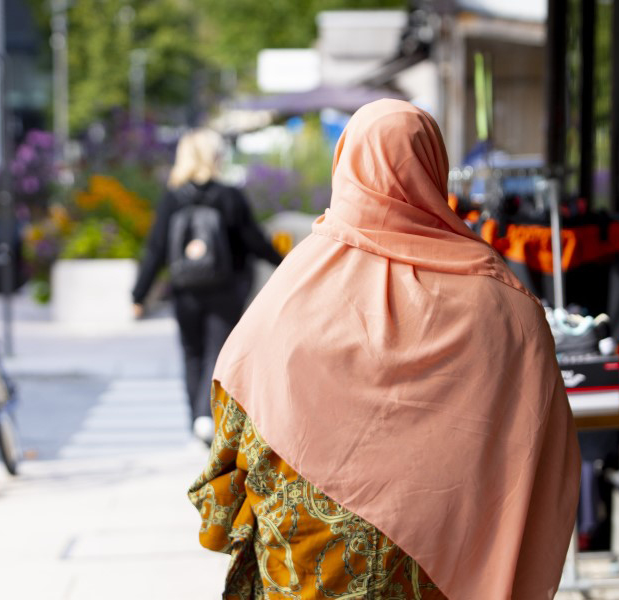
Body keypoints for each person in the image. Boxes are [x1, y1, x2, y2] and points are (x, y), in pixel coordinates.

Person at [189, 100, 580, 598]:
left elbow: (236, 411)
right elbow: (541, 450)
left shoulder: (294, 287)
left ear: (344, 164)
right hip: (448, 568)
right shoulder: (505, 301)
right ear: (434, 167)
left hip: (310, 560)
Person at [132, 129, 282, 443]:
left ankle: (196, 419)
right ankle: (206, 417)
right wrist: (287, 265)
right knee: (218, 352)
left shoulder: (173, 198)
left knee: (192, 353)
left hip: (185, 290)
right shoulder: (230, 196)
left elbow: (156, 248)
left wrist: (139, 294)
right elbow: (254, 240)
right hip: (226, 289)